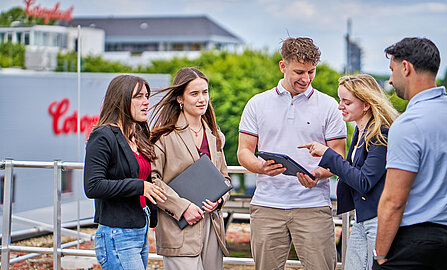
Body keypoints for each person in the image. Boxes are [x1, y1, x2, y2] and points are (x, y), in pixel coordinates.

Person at [237, 37, 347, 270]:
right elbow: (244, 151)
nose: (306, 79)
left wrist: (318, 173)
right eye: (299, 72)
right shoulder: (257, 103)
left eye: (311, 72)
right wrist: (260, 167)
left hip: (314, 205)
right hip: (267, 205)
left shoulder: (329, 106)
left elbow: (339, 156)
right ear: (282, 66)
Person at [373, 37, 447, 270]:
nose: (390, 79)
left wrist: (379, 255)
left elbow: (394, 201)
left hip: (414, 240)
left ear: (406, 67)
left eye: (392, 70)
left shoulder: (408, 123)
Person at [298, 74, 398, 270]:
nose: (340, 106)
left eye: (347, 102)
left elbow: (363, 181)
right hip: (363, 219)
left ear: (366, 104)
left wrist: (327, 154)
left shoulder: (380, 135)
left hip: (376, 221)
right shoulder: (361, 132)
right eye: (340, 100)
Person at [149, 67, 231, 270]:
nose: (202, 99)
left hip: (212, 227)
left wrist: (219, 200)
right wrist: (183, 208)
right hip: (178, 229)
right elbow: (152, 181)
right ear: (180, 98)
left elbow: (225, 179)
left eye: (205, 92)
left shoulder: (215, 136)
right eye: (194, 94)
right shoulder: (163, 137)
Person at [84, 75, 167, 270]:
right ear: (121, 99)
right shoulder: (102, 136)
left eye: (147, 96)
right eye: (138, 96)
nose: (146, 101)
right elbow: (93, 186)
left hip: (140, 229)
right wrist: (140, 186)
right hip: (117, 233)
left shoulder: (139, 135)